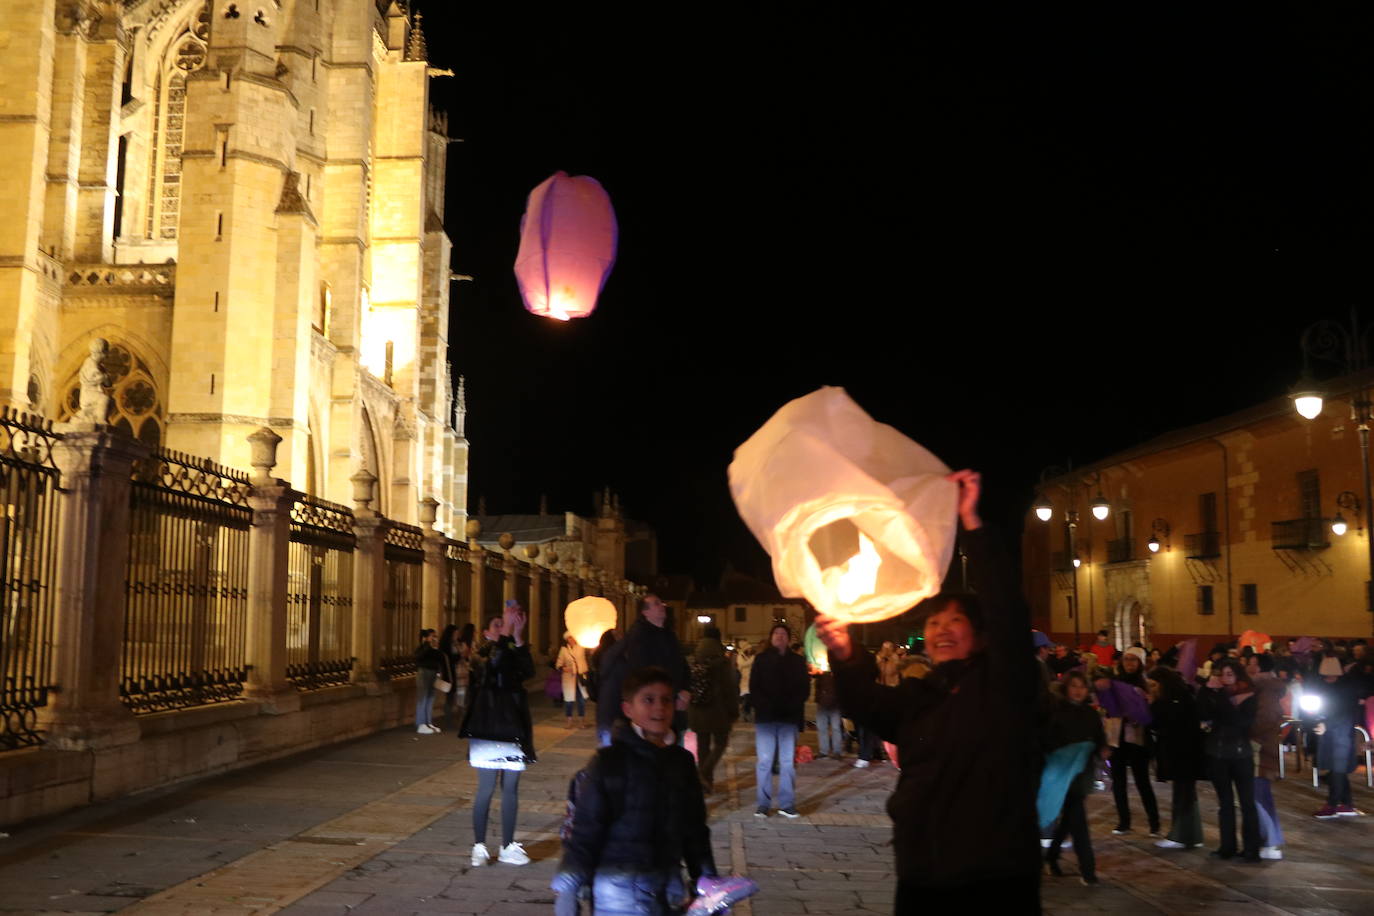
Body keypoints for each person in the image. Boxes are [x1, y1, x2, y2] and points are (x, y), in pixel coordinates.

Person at [818, 470, 1046, 911]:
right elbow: (863, 703)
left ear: (981, 636)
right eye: (933, 622)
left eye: (954, 620)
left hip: (995, 874)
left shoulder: (1005, 685)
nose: (941, 629)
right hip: (924, 871)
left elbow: (1007, 610)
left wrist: (972, 526)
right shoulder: (921, 695)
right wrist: (846, 654)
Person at [553, 666, 743, 916]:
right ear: (628, 708)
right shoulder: (609, 761)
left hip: (667, 891)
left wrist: (707, 882)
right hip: (617, 893)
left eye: (666, 700)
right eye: (648, 700)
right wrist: (568, 890)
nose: (659, 708)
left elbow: (695, 832)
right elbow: (586, 831)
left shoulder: (682, 762)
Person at [460, 601, 535, 868]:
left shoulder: (509, 649)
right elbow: (493, 667)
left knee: (511, 788)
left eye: (503, 623)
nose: (502, 627)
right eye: (497, 625)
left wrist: (518, 637)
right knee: (486, 788)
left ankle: (507, 846)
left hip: (512, 726)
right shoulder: (481, 654)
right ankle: (479, 846)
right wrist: (506, 636)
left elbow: (528, 671)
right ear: (486, 633)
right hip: (488, 726)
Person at [596, 594, 691, 748]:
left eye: (661, 603)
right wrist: (675, 693)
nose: (662, 606)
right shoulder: (639, 637)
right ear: (645, 612)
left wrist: (685, 691)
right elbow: (644, 675)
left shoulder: (670, 635)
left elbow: (683, 665)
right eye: (656, 604)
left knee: (674, 754)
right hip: (654, 713)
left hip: (672, 709)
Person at [1044, 671, 1107, 885]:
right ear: (1066, 688)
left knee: (1070, 818)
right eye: (1074, 686)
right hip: (1061, 774)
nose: (1078, 690)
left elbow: (1099, 739)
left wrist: (1102, 750)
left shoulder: (1091, 714)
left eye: (1082, 686)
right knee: (1077, 819)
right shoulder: (1055, 712)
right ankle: (1088, 871)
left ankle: (1051, 857)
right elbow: (1046, 741)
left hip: (1082, 773)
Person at [1196, 660, 1260, 861]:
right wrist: (1206, 691)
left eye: (1229, 673)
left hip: (1241, 755)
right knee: (1225, 803)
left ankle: (1251, 849)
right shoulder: (1213, 694)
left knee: (1247, 803)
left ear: (1238, 676)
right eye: (1222, 674)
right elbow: (1202, 714)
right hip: (1218, 754)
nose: (1225, 678)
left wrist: (1221, 698)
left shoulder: (1249, 696)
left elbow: (1238, 721)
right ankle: (1227, 846)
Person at [1096, 647, 1160, 836]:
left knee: (1142, 781)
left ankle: (1154, 823)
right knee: (1119, 781)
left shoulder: (1148, 684)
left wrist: (1146, 704)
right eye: (1127, 660)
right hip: (1117, 737)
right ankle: (1123, 821)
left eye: (1134, 660)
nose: (1129, 664)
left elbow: (1154, 713)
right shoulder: (1115, 683)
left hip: (1138, 737)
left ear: (1140, 663)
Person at [750, 622, 810, 818]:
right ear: (771, 637)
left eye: (783, 633)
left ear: (788, 638)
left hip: (788, 718)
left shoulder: (797, 661)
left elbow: (804, 689)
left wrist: (791, 705)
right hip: (766, 718)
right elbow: (754, 687)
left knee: (787, 762)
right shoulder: (761, 659)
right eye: (776, 633)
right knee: (765, 762)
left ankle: (787, 803)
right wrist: (763, 705)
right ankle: (763, 804)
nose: (779, 636)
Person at [1146, 666, 1205, 850]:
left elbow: (1163, 723)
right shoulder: (1180, 698)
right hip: (1182, 752)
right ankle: (1189, 834)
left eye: (1154, 685)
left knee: (1184, 794)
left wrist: (1151, 705)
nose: (1152, 689)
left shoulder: (1176, 701)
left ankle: (1181, 835)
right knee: (1184, 793)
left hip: (1184, 752)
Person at [1311, 655, 1365, 819]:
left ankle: (1332, 804)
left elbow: (1345, 712)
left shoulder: (1346, 688)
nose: (1328, 677)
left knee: (1337, 769)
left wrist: (1326, 724)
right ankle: (1346, 804)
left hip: (1341, 733)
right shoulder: (1327, 687)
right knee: (1336, 769)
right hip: (1332, 732)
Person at [1246, 653, 1287, 858]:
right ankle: (1269, 840)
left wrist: (1245, 730)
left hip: (1260, 749)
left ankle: (1270, 842)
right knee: (1259, 795)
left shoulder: (1266, 689)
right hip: (1261, 747)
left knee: (1258, 795)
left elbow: (1265, 717)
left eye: (1251, 664)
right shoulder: (1263, 688)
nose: (1247, 667)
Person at [688, 625, 738, 793]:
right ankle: (703, 774)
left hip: (697, 709)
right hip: (718, 710)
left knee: (703, 746)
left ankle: (706, 785)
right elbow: (730, 688)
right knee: (721, 743)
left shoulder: (695, 657)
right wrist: (733, 711)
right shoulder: (721, 660)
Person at [414, 628, 446, 735]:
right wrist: (428, 645)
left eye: (436, 636)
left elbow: (440, 659)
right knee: (422, 697)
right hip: (424, 672)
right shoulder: (423, 647)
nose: (435, 638)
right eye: (433, 636)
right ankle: (420, 723)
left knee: (430, 698)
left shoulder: (435, 648)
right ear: (427, 637)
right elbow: (418, 657)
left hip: (433, 673)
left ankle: (428, 722)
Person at [557, 632, 591, 729]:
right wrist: (564, 668)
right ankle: (569, 722)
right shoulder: (563, 650)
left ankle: (581, 722)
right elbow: (558, 664)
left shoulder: (581, 647)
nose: (572, 640)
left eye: (573, 638)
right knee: (569, 701)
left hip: (580, 677)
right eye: (570, 638)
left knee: (581, 701)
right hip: (569, 678)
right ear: (567, 639)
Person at [813, 663, 843, 759]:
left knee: (833, 728)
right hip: (826, 703)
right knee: (828, 728)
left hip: (831, 704)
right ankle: (827, 751)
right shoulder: (821, 673)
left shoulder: (837, 673)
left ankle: (833, 751)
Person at [737, 644, 756, 723]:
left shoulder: (750, 657)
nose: (750, 649)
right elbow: (742, 664)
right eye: (749, 648)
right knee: (747, 698)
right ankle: (745, 713)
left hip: (750, 681)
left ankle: (746, 713)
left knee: (749, 698)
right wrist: (752, 659)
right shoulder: (741, 656)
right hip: (744, 681)